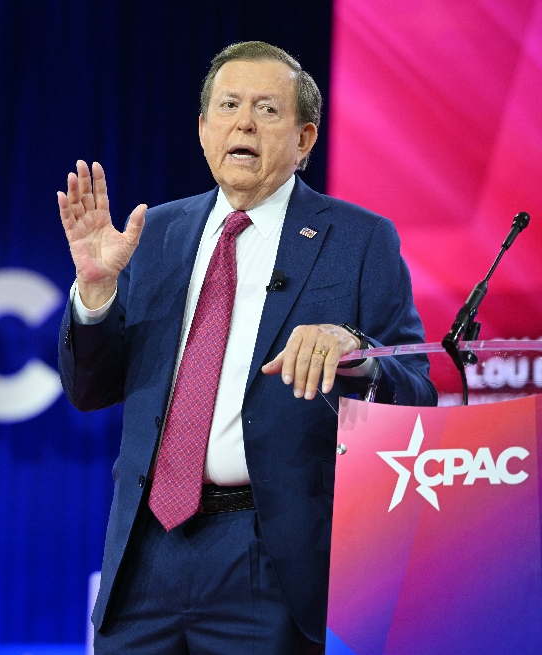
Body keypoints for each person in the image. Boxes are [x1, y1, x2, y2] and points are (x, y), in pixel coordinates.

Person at [56, 41, 437, 654]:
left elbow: (419, 390)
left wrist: (357, 350)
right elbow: (89, 390)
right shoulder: (153, 237)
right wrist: (95, 297)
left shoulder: (359, 241)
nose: (244, 123)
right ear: (204, 129)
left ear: (305, 139)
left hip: (271, 553)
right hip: (145, 555)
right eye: (229, 106)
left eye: (267, 109)